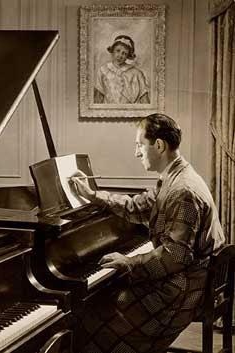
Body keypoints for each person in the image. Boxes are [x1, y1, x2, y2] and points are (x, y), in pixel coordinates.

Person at [71, 113, 225, 353]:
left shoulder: (183, 190)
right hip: (189, 279)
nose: (136, 152)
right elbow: (136, 207)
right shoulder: (174, 177)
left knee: (97, 310)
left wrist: (130, 263)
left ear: (159, 145)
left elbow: (175, 256)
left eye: (139, 144)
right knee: (99, 301)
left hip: (183, 292)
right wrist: (93, 195)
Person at [94, 35, 150, 104]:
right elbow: (98, 97)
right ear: (113, 51)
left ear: (128, 56)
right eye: (118, 51)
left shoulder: (136, 73)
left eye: (124, 53)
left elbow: (144, 97)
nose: (120, 56)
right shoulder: (103, 70)